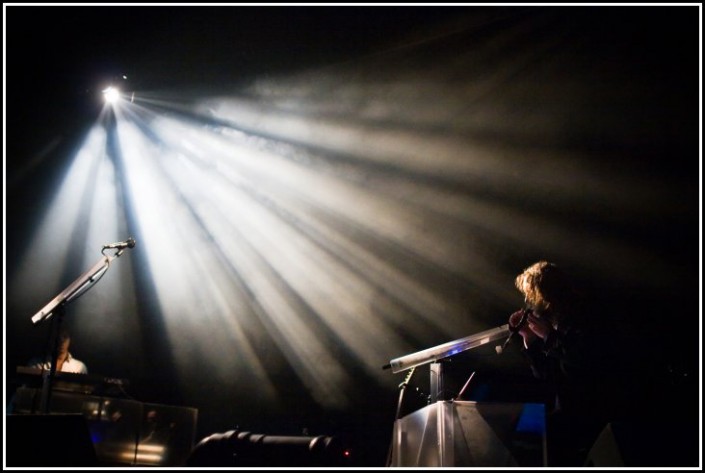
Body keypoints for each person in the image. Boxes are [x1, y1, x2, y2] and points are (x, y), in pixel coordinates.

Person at [507, 260, 611, 467]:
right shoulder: (555, 324)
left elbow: (585, 359)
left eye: (530, 293)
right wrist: (529, 339)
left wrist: (548, 336)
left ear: (544, 293)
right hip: (571, 411)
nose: (528, 300)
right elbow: (546, 375)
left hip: (595, 411)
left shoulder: (583, 315)